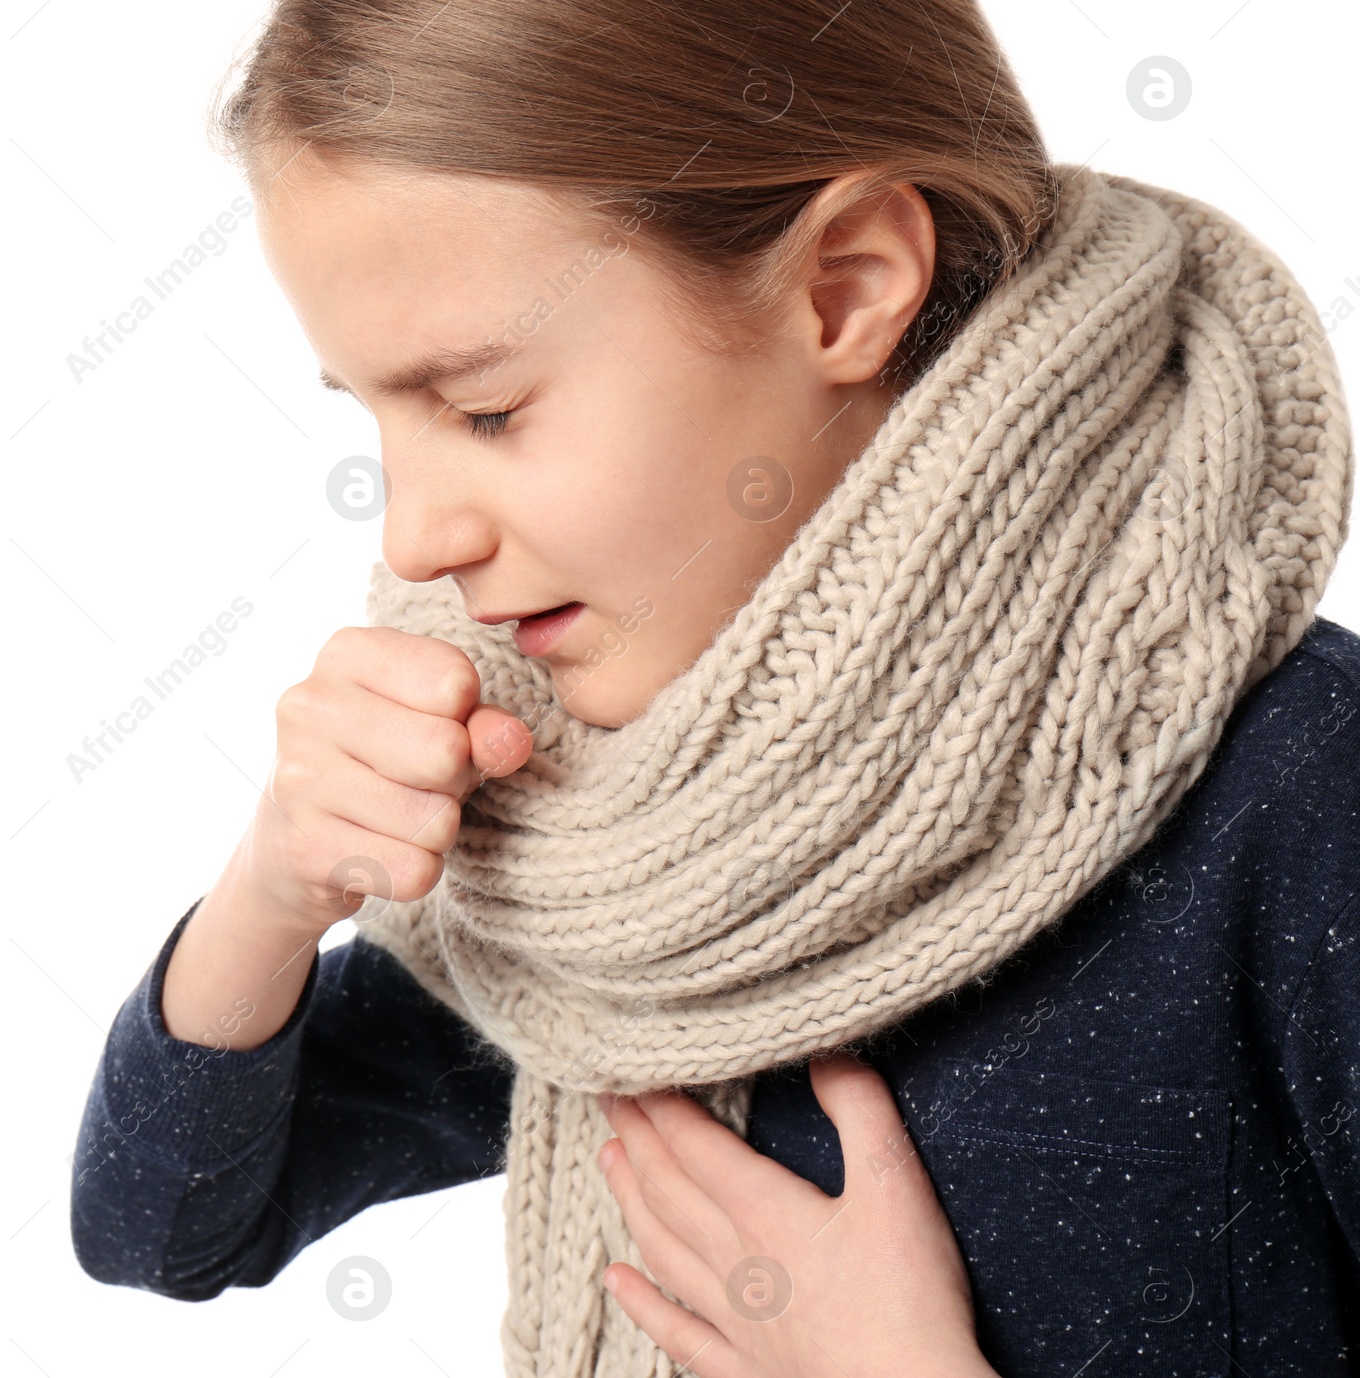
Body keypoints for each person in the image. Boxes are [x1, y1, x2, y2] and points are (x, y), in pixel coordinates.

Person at [70, 2, 1360, 1374]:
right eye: (375, 418)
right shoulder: (583, 825)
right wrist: (276, 887)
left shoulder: (1297, 792)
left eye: (489, 409)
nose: (412, 538)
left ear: (846, 289)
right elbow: (170, 1225)